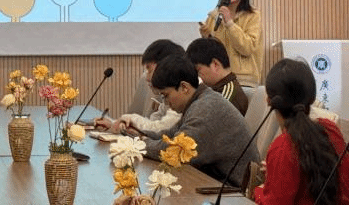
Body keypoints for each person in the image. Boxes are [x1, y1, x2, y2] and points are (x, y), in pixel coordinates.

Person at [140, 54, 260, 187]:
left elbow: (174, 151)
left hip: (233, 191)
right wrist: (137, 134)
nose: (166, 103)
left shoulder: (206, 109)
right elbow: (170, 134)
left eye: (166, 95)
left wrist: (139, 145)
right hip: (217, 182)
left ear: (184, 87)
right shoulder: (200, 100)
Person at [253, 58, 349, 205]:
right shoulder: (331, 130)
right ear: (311, 98)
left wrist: (259, 191)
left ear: (269, 101)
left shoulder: (282, 147)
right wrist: (277, 171)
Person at [96, 40, 185, 134]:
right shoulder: (169, 93)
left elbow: (161, 129)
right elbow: (152, 123)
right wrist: (113, 125)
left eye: (149, 69)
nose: (147, 77)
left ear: (165, 67)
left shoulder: (181, 94)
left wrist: (130, 118)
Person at [199, 0, 263, 85]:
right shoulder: (214, 16)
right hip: (217, 79)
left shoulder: (253, 16)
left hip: (243, 80)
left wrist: (229, 23)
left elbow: (247, 48)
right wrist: (206, 37)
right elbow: (212, 54)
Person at [186, 37, 249, 115]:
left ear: (215, 64)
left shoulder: (227, 97)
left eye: (198, 70)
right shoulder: (217, 90)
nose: (196, 76)